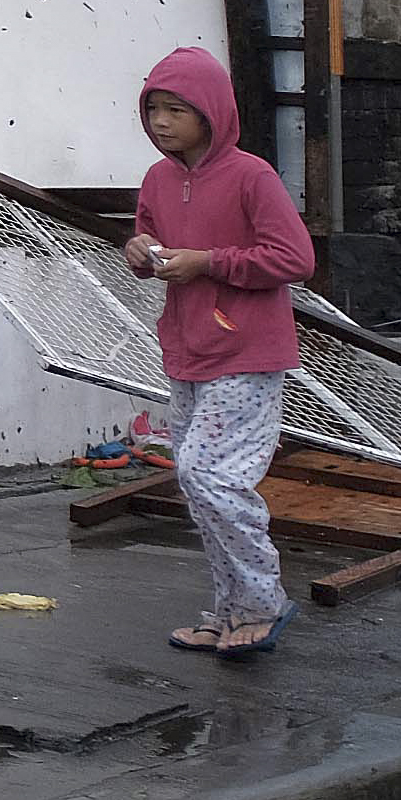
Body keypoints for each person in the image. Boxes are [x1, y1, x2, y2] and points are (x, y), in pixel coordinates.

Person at [123, 45, 317, 659]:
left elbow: (295, 259)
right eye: (153, 108)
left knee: (208, 474)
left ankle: (263, 600)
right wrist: (141, 251)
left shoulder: (252, 175)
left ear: (211, 112)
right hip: (185, 348)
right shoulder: (157, 178)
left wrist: (208, 263)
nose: (160, 121)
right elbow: (149, 236)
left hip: (249, 350)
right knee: (201, 486)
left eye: (176, 109)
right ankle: (229, 607)